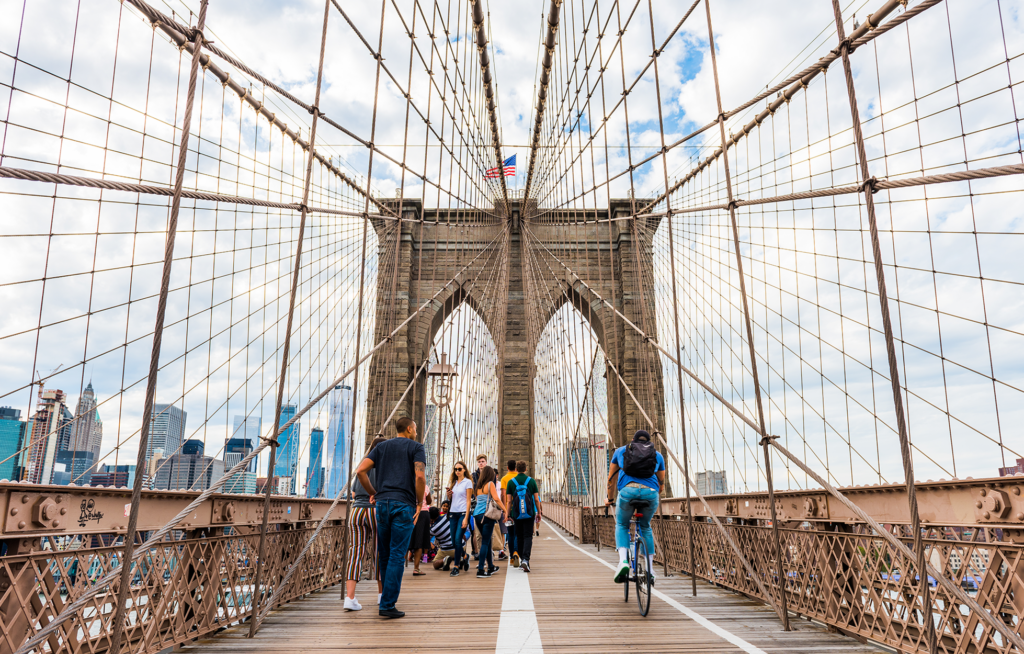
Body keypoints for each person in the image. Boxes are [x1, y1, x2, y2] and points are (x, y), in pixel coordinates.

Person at [354, 417, 426, 619]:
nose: (417, 433)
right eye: (416, 429)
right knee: (396, 555)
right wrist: (419, 502)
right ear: (410, 429)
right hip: (404, 505)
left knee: (384, 554)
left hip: (382, 505)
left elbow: (360, 471)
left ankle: (385, 599)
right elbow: (420, 477)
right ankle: (387, 604)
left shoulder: (381, 447)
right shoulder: (416, 447)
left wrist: (373, 492)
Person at [606, 429, 665, 584]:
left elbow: (611, 479)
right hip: (651, 494)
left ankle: (623, 561)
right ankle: (650, 570)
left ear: (633, 440)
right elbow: (661, 484)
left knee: (622, 524)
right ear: (648, 442)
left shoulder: (620, 451)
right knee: (645, 527)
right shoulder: (657, 455)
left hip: (627, 492)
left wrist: (610, 499)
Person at [343, 435, 386, 611]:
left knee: (355, 554)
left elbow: (353, 494)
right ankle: (381, 596)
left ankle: (350, 598)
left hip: (357, 511)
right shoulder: (385, 468)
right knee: (380, 553)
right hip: (375, 511)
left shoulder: (363, 466)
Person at [467, 465, 506, 578]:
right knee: (485, 542)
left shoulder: (478, 486)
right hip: (487, 515)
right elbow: (497, 499)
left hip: (477, 516)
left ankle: (491, 566)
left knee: (487, 541)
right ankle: (480, 569)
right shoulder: (490, 484)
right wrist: (505, 510)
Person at [505, 460, 540, 572]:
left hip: (517, 514)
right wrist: (539, 512)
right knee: (528, 536)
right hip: (529, 514)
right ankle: (526, 560)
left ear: (516, 469)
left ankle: (521, 560)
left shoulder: (511, 482)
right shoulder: (532, 481)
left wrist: (507, 515)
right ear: (526, 469)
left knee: (519, 536)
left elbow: (509, 502)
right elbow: (536, 499)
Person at [446, 460, 473, 576]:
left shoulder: (468, 483)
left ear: (464, 470)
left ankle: (456, 566)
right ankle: (465, 556)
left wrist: (466, 518)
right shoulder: (453, 483)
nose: (457, 471)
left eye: (460, 469)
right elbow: (450, 500)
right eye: (456, 469)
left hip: (462, 513)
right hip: (452, 513)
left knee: (457, 539)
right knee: (453, 541)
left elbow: (468, 501)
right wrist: (448, 496)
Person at [408, 488, 433, 575]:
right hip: (423, 513)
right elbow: (429, 501)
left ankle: (399, 565)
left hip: (409, 511)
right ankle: (416, 568)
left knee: (405, 538)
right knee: (419, 540)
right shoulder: (424, 486)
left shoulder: (408, 483)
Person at [499, 459, 518, 562]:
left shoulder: (504, 479)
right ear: (516, 468)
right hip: (519, 509)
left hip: (508, 510)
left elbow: (503, 494)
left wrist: (504, 509)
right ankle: (516, 553)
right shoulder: (518, 478)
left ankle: (512, 556)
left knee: (510, 533)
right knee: (517, 533)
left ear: (507, 467)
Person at [430, 505, 456, 570]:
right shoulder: (447, 517)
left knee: (435, 563)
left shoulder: (432, 529)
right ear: (439, 512)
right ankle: (461, 558)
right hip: (460, 546)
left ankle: (444, 560)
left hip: (447, 549)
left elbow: (427, 539)